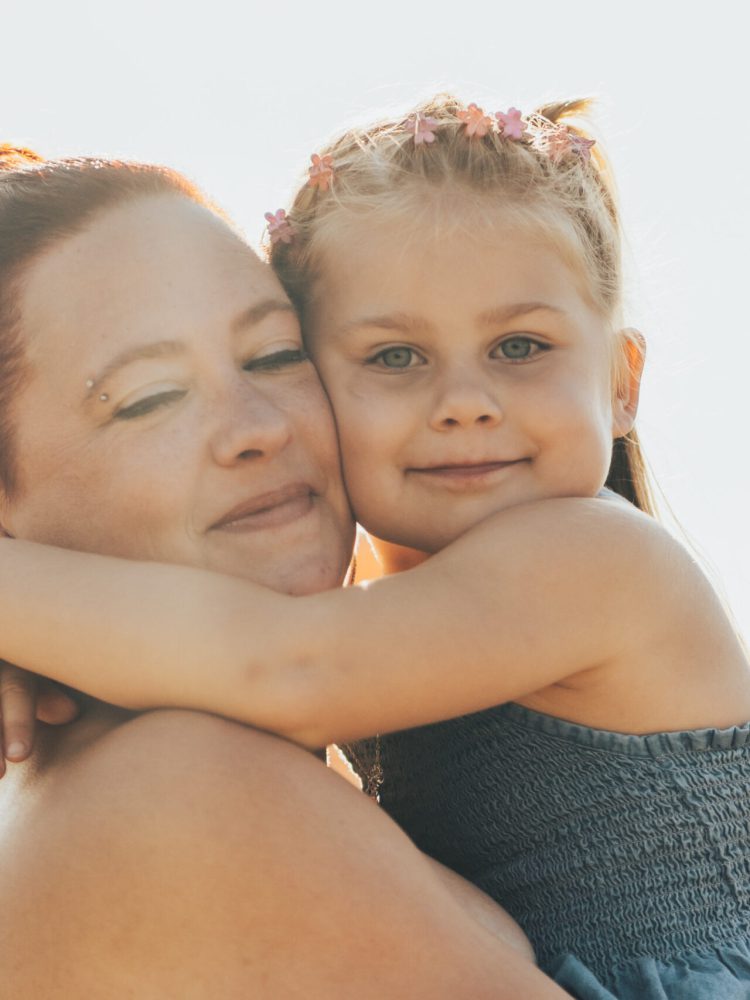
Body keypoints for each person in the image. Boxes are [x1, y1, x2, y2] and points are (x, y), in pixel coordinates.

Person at [2, 94, 750, 997]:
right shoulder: (192, 770)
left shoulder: (591, 557)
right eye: (394, 358)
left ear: (624, 383)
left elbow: (286, 671)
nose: (465, 402)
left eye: (273, 358)